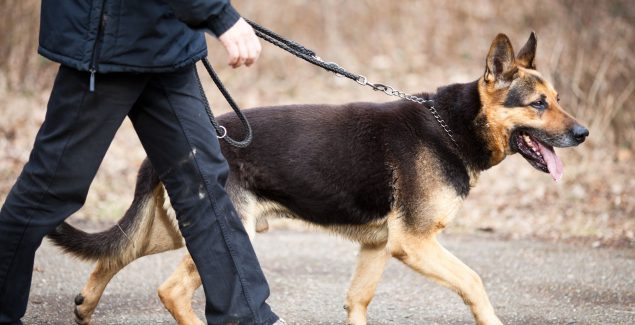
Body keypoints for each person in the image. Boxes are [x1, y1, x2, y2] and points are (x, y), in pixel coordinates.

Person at [0, 1, 282, 324]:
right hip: (108, 42)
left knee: (203, 186)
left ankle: (247, 317)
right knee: (49, 189)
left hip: (167, 42)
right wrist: (219, 15)